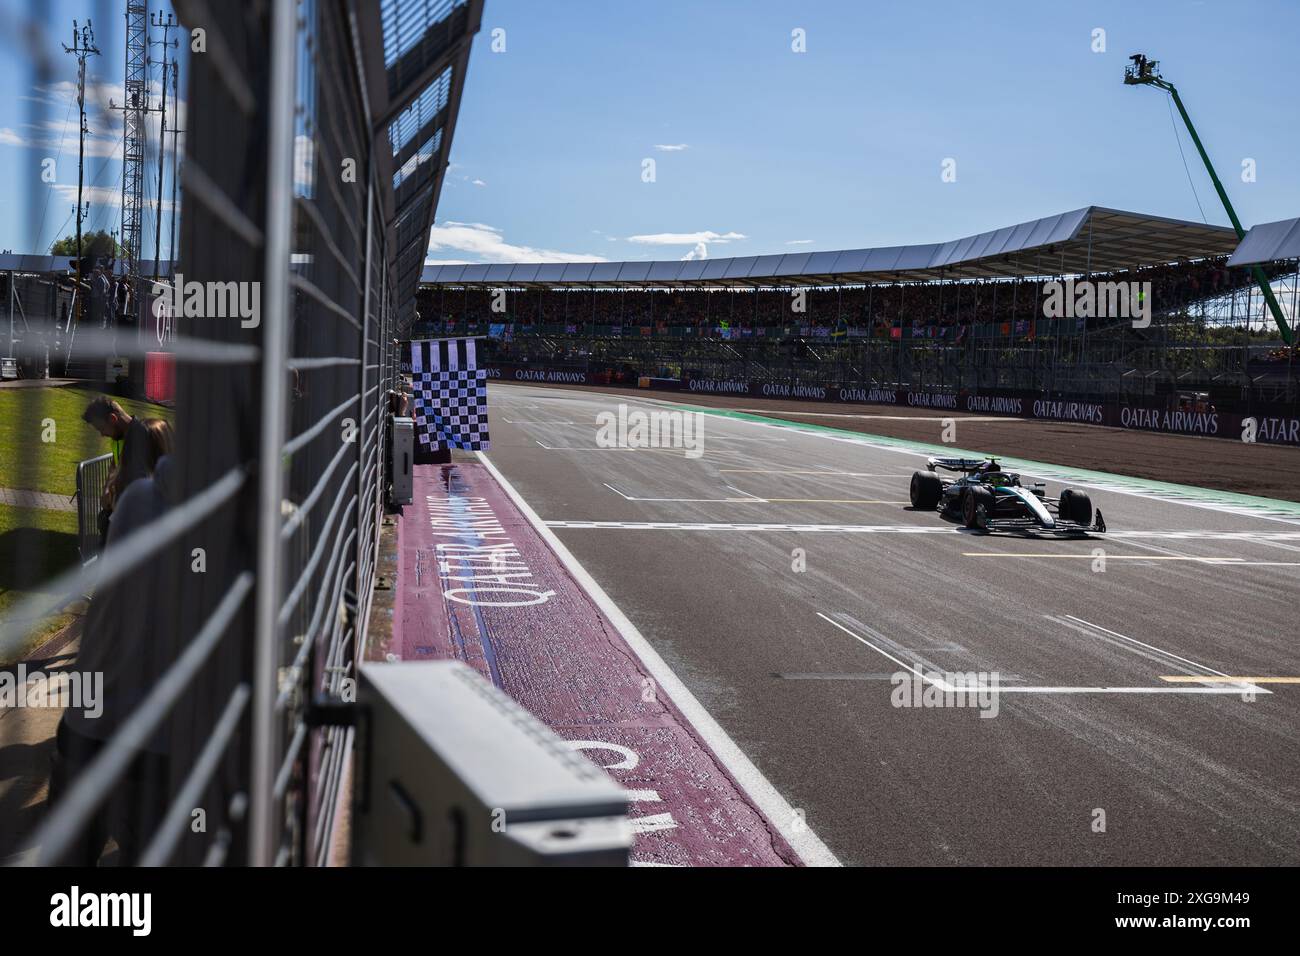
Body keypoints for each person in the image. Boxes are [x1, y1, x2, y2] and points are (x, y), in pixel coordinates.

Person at [81, 396, 152, 547]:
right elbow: (115, 463)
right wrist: (107, 487)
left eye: (101, 429)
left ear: (113, 418)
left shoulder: (143, 437)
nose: (102, 434)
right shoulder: (119, 436)